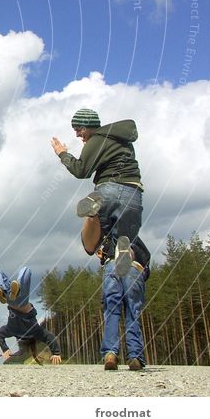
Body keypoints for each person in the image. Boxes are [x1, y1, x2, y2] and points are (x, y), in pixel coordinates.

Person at [50, 108, 143, 276]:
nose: (78, 135)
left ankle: (92, 214)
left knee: (93, 244)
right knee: (126, 242)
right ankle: (123, 251)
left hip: (107, 190)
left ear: (87, 126)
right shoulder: (123, 140)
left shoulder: (97, 139)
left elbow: (81, 170)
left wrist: (62, 154)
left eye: (78, 129)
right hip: (133, 192)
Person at [80, 205, 151, 371]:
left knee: (112, 309)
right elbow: (147, 263)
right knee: (133, 311)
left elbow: (90, 246)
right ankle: (134, 356)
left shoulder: (105, 238)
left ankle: (110, 353)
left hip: (111, 264)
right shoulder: (135, 236)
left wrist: (104, 253)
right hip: (136, 266)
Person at [0, 266, 62, 365]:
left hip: (21, 302)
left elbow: (50, 338)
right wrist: (5, 349)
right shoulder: (11, 331)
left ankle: (8, 289)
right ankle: (9, 290)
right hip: (10, 302)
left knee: (26, 270)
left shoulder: (35, 332)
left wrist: (56, 353)